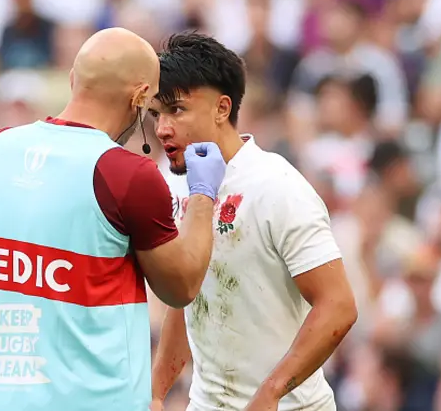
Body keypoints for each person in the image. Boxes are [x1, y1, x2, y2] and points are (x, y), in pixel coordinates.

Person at [0, 28, 226, 411]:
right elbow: (182, 286)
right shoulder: (124, 172)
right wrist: (203, 195)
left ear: (74, 80)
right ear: (140, 96)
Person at [149, 32, 358, 411]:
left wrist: (271, 392)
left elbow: (339, 305)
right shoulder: (175, 187)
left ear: (222, 108)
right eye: (156, 114)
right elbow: (184, 299)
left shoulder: (277, 187)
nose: (162, 127)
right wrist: (156, 392)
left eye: (176, 110)